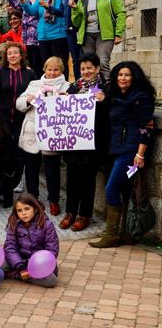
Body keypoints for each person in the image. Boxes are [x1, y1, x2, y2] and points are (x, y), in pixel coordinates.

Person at [90, 61, 155, 248]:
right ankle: (125, 233)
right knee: (124, 191)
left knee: (111, 189)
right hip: (117, 149)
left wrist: (140, 155)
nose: (123, 78)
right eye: (119, 75)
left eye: (127, 75)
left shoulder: (140, 97)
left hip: (132, 154)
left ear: (134, 77)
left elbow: (146, 127)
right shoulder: (117, 96)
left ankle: (111, 234)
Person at [61, 53, 110, 232]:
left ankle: (84, 214)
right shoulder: (73, 87)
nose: (86, 71)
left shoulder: (105, 88)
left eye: (90, 68)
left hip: (93, 143)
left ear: (97, 69)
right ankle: (70, 212)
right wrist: (62, 100)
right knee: (72, 178)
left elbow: (109, 114)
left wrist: (103, 102)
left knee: (88, 179)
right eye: (83, 68)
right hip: (74, 142)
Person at [16, 57, 70, 216]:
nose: (52, 73)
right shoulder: (34, 85)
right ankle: (33, 199)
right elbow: (19, 104)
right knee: (31, 168)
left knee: (52, 169)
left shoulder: (67, 86)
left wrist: (66, 99)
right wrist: (29, 99)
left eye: (56, 70)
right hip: (32, 132)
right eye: (49, 69)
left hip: (53, 134)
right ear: (44, 70)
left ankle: (53, 200)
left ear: (62, 71)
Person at [70, 0, 126, 82]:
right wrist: (75, 10)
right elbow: (76, 23)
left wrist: (119, 33)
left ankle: (107, 91)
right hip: (87, 35)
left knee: (102, 62)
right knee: (89, 66)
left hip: (104, 35)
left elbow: (120, 13)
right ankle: (92, 92)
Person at [19, 0, 70, 77]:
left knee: (61, 65)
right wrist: (23, 2)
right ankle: (48, 89)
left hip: (58, 35)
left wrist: (48, 7)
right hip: (43, 37)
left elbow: (62, 12)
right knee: (47, 66)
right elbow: (32, 11)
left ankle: (63, 88)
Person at [3, 194, 59, 287]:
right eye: (19, 210)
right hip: (19, 261)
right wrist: (20, 266)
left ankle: (15, 275)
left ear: (35, 209)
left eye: (27, 209)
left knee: (51, 280)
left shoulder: (47, 225)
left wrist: (35, 265)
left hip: (39, 263)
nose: (23, 213)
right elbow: (10, 247)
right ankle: (22, 273)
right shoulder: (14, 225)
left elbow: (52, 250)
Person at [0, 42, 37, 140]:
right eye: (9, 53)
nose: (12, 55)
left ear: (21, 56)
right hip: (4, 118)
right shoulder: (0, 72)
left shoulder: (30, 73)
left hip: (24, 118)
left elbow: (37, 93)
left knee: (21, 149)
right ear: (6, 57)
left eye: (15, 53)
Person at [6, 0, 44, 75]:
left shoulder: (42, 2)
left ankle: (40, 84)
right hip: (27, 40)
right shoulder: (27, 2)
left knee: (38, 65)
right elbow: (14, 3)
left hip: (37, 39)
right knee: (30, 64)